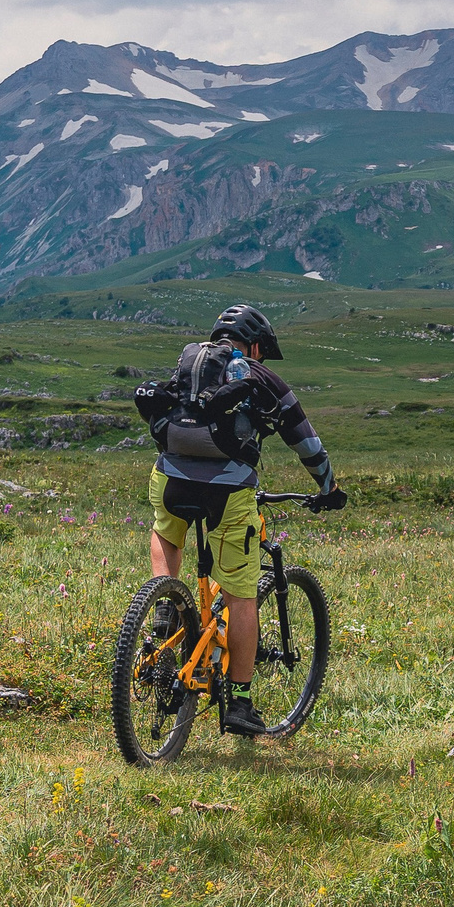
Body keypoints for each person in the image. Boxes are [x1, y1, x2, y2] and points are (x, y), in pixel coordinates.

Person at [144, 303, 343, 735]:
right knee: (241, 594)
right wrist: (328, 487)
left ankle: (166, 607)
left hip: (170, 479)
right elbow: (305, 440)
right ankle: (239, 702)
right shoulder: (258, 374)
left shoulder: (190, 364)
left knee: (166, 529)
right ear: (254, 345)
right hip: (229, 492)